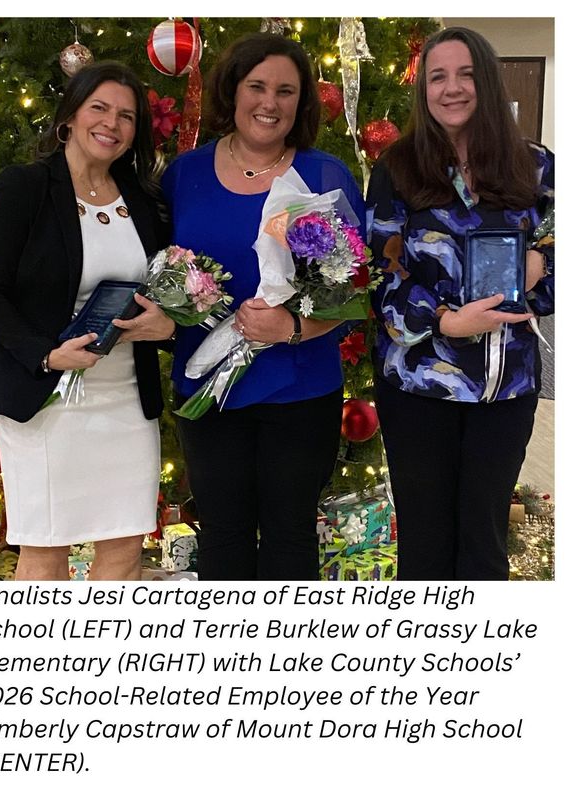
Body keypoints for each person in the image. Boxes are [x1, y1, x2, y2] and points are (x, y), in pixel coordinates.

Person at [161, 33, 366, 580]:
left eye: (285, 90)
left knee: (290, 531)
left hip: (299, 389)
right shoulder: (185, 174)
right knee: (222, 532)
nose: (268, 102)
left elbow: (354, 294)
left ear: (300, 103)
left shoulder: (324, 177)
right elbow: (156, 271)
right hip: (207, 386)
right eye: (256, 86)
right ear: (234, 91)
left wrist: (294, 327)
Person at [0, 61, 176, 581]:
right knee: (45, 550)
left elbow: (165, 288)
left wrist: (167, 326)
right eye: (99, 108)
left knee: (125, 548)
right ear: (70, 116)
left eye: (127, 116)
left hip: (128, 398)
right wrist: (46, 354)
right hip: (45, 395)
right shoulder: (27, 187)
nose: (112, 123)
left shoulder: (144, 200)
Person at [366, 26, 554, 580]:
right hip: (419, 383)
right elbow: (380, 268)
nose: (452, 88)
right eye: (438, 76)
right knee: (424, 546)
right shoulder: (399, 166)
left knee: (485, 543)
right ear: (423, 89)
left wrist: (542, 263)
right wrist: (447, 320)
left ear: (488, 82)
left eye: (466, 73)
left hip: (506, 385)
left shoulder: (536, 164)